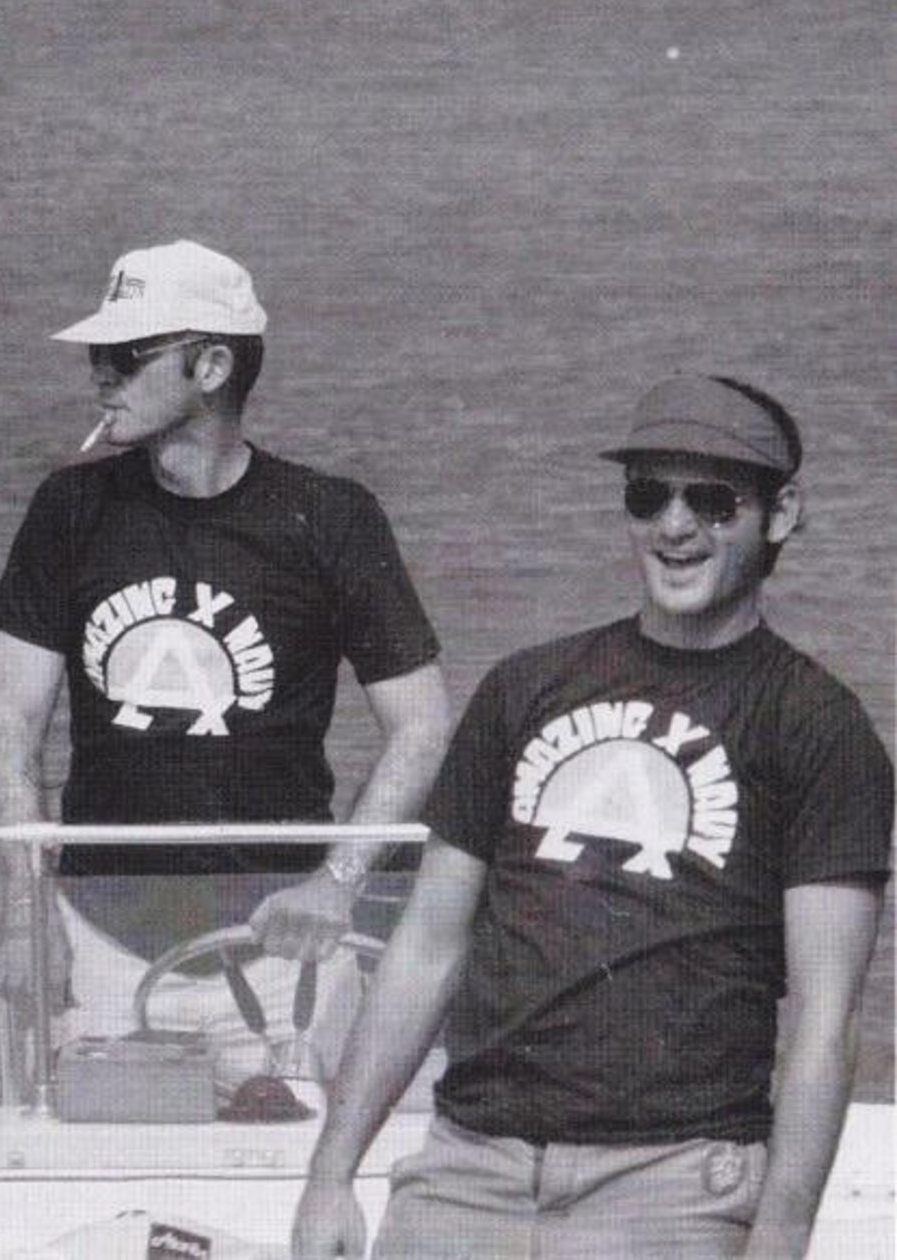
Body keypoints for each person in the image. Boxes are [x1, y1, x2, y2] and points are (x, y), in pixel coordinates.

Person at [292, 374, 893, 1259]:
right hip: (465, 1171)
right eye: (649, 495)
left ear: (782, 511)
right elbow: (427, 947)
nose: (675, 526)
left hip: (676, 1191)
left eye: (713, 499)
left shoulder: (818, 728)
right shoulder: (522, 688)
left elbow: (824, 1017)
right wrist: (329, 1176)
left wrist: (781, 1240)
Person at [0, 238, 450, 967]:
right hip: (97, 936)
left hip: (278, 939)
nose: (102, 376)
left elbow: (421, 726)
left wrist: (335, 886)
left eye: (128, 354)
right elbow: (12, 723)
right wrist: (23, 911)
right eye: (96, 355)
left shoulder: (331, 516)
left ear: (213, 367)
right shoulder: (67, 509)